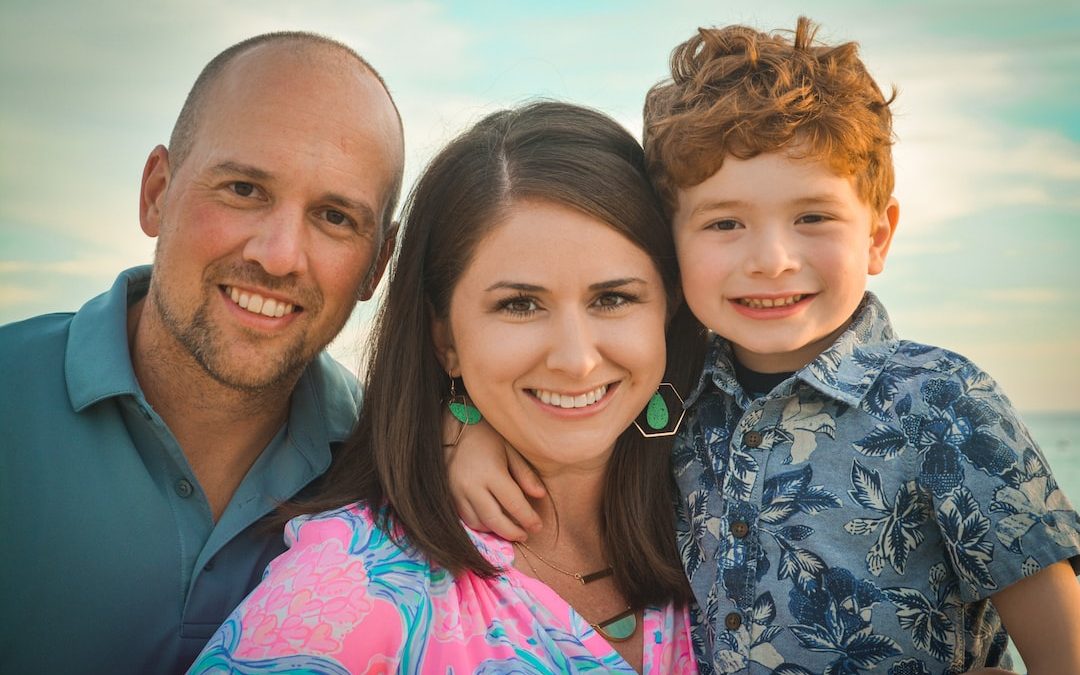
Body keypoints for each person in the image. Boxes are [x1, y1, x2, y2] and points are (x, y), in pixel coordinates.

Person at [447, 18, 1080, 674]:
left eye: (812, 217)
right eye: (726, 222)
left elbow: (1059, 635)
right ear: (673, 245)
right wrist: (469, 429)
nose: (772, 259)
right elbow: (560, 421)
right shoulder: (671, 390)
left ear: (878, 236)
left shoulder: (939, 399)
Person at [187, 101, 698, 674]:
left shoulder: (729, 515)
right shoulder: (346, 591)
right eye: (520, 304)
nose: (577, 361)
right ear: (445, 337)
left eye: (613, 298)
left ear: (670, 308)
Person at [0, 32, 403, 674]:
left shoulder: (390, 470)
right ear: (157, 192)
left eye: (333, 217)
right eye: (244, 189)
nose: (277, 255)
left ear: (377, 266)